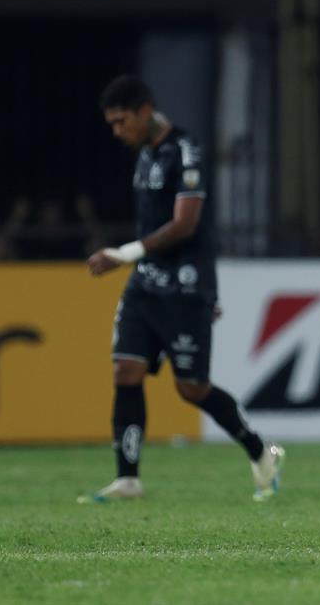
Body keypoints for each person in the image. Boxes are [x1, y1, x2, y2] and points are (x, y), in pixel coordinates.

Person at [79, 75, 282, 503]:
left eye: (120, 122)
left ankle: (260, 451)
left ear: (143, 111)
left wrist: (126, 253)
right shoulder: (145, 155)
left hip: (185, 288)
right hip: (145, 286)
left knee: (190, 388)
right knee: (125, 371)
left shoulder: (186, 151)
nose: (117, 132)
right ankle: (128, 478)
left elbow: (186, 224)